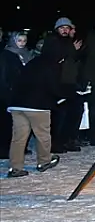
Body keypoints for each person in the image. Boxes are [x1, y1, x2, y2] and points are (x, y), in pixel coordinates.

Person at [6, 49, 60, 177]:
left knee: (18, 137)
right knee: (43, 134)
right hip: (37, 105)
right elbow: (53, 86)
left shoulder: (31, 64)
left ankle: (15, 167)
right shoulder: (50, 66)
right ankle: (44, 161)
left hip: (17, 104)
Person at [45, 16, 85, 153]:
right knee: (59, 114)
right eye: (62, 28)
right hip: (57, 83)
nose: (65, 30)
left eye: (67, 28)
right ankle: (55, 143)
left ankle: (68, 140)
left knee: (75, 111)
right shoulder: (52, 41)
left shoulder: (69, 42)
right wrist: (71, 49)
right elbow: (55, 58)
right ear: (57, 29)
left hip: (70, 83)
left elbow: (74, 61)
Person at [2, 32, 34, 156]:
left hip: (24, 92)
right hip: (11, 93)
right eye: (19, 40)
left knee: (23, 122)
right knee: (8, 123)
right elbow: (5, 76)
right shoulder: (7, 55)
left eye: (24, 41)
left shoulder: (26, 54)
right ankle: (5, 149)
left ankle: (22, 147)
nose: (22, 43)